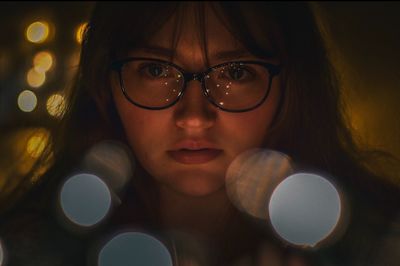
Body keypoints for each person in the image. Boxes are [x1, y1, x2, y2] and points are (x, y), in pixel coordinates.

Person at [0, 2, 399, 266]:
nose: (194, 118)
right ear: (105, 85)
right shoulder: (27, 250)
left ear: (290, 87)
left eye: (235, 72)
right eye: (156, 70)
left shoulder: (378, 244)